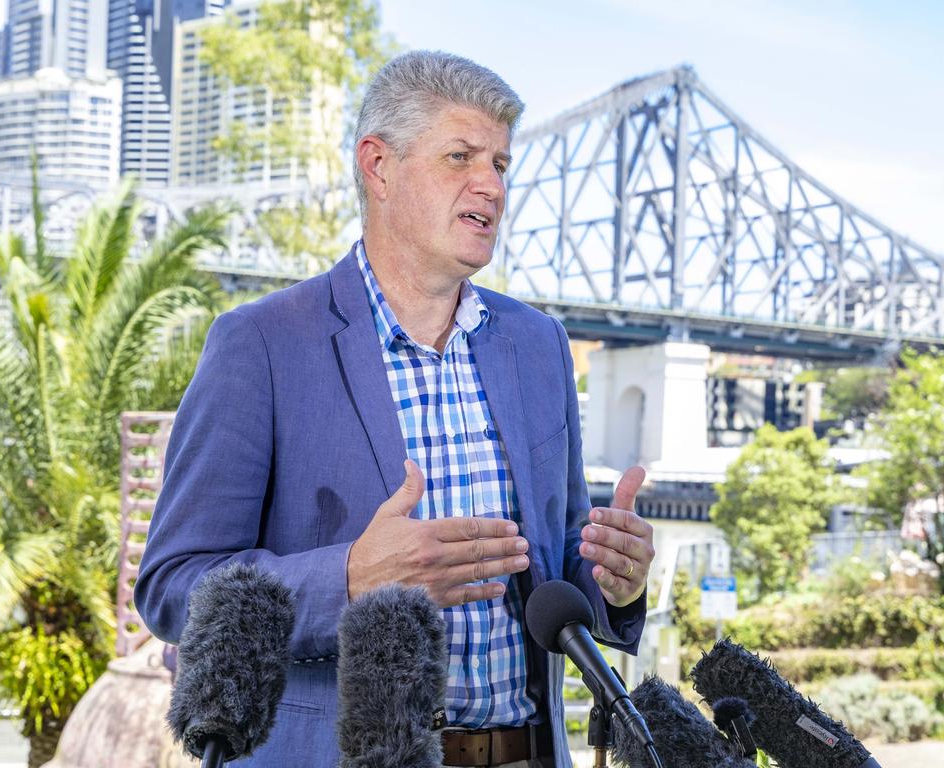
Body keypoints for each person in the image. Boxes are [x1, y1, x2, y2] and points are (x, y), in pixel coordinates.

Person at [135, 50, 654, 768]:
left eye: (501, 164)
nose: (492, 187)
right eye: (460, 156)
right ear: (378, 166)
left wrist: (615, 582)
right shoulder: (261, 343)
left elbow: (559, 574)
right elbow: (173, 587)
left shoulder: (539, 346)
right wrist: (350, 578)